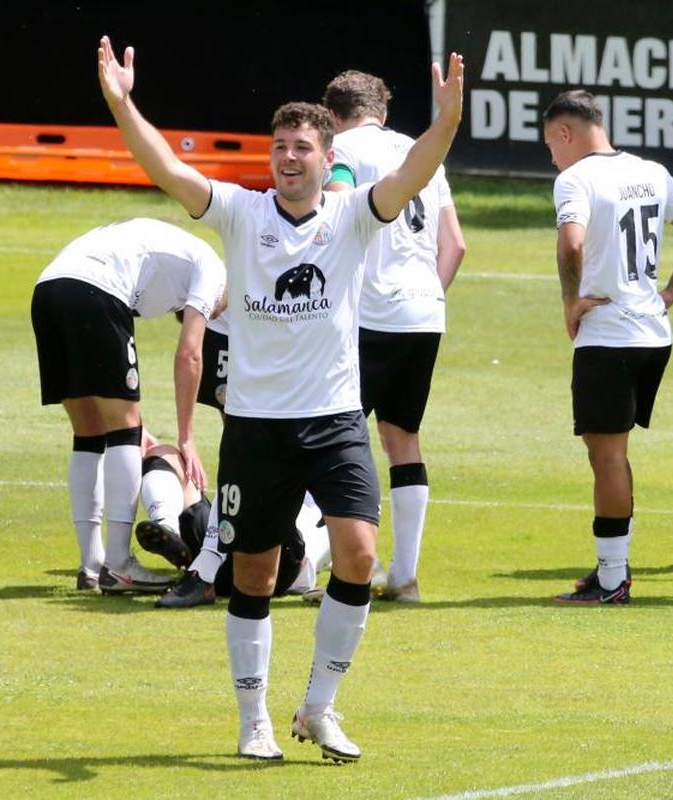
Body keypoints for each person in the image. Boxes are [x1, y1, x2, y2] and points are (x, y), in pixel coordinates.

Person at [98, 35, 463, 762]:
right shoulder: (240, 211)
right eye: (280, 146)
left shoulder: (355, 214)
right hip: (258, 429)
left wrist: (446, 122)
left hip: (333, 422)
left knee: (358, 556)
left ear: (331, 158)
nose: (289, 157)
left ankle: (319, 708)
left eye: (302, 146)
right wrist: (120, 101)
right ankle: (253, 719)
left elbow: (415, 173)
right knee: (255, 573)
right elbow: (167, 169)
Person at [541, 89, 673, 605]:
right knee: (613, 453)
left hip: (610, 335)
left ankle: (613, 580)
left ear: (567, 133)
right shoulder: (651, 171)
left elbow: (571, 242)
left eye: (551, 143)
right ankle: (611, 571)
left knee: (607, 456)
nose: (551, 155)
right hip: (653, 333)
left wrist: (570, 302)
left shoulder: (574, 179)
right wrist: (669, 294)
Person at [322, 69, 467, 603]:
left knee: (330, 434)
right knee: (402, 438)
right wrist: (427, 296)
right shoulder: (422, 149)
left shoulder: (338, 147)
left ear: (334, 113)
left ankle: (325, 564)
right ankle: (404, 577)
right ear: (382, 108)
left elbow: (336, 214)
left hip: (367, 314)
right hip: (424, 313)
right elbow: (454, 245)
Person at [30, 218, 226, 593]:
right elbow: (190, 354)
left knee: (90, 434)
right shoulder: (214, 271)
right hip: (93, 289)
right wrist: (186, 438)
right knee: (124, 432)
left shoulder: (168, 263)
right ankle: (119, 565)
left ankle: (91, 566)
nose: (214, 316)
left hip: (48, 289)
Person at [133, 438, 327, 606]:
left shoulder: (339, 488)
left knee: (254, 467)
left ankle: (201, 568)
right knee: (163, 454)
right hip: (222, 534)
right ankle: (168, 527)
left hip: (276, 563)